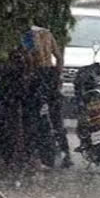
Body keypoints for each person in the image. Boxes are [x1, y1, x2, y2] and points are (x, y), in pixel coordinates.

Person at [21, 19, 70, 168]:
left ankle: (33, 155)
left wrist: (29, 76)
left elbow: (29, 57)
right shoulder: (48, 34)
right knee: (56, 116)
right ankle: (65, 153)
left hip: (37, 75)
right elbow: (59, 58)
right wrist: (57, 76)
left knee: (33, 116)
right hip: (50, 75)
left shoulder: (28, 35)